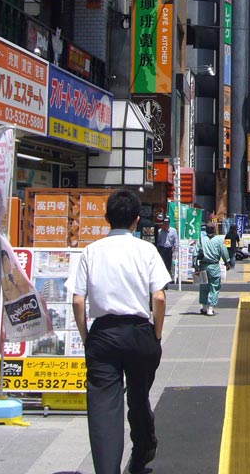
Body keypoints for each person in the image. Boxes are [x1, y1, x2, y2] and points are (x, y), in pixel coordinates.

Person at [71, 189, 171, 474]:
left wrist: (86, 336)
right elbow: (159, 297)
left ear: (107, 218)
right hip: (139, 332)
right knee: (138, 397)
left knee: (103, 406)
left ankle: (107, 470)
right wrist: (157, 334)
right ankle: (142, 451)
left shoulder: (91, 251)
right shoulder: (146, 250)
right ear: (137, 220)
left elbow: (78, 300)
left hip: (103, 334)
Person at [195, 224, 231, 316]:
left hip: (203, 266)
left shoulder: (201, 239)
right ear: (215, 230)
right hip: (214, 266)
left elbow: (195, 253)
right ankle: (210, 309)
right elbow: (224, 252)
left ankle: (204, 307)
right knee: (214, 287)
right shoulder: (219, 240)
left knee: (203, 287)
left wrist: (195, 266)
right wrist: (227, 262)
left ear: (206, 230)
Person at [154, 213, 176, 282]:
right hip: (161, 248)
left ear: (169, 223)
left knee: (168, 264)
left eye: (167, 223)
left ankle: (168, 277)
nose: (166, 224)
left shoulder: (173, 231)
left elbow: (176, 241)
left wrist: (175, 249)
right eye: (164, 223)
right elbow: (158, 241)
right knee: (161, 263)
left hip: (169, 249)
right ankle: (162, 278)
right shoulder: (159, 231)